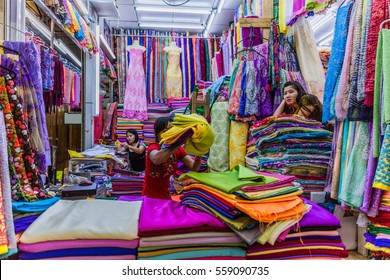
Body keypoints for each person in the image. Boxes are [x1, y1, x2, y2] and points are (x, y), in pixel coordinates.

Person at [142, 117, 202, 200]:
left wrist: (200, 151)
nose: (169, 133)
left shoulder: (178, 149)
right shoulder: (153, 147)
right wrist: (178, 142)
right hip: (150, 197)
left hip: (166, 195)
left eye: (171, 130)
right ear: (157, 134)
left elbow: (194, 167)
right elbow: (157, 159)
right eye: (164, 131)